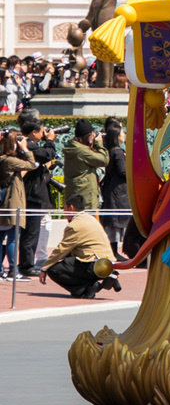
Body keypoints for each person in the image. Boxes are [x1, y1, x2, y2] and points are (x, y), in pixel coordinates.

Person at [39, 194, 121, 299]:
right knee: (68, 257)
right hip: (107, 261)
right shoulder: (91, 219)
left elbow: (61, 250)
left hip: (93, 265)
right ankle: (109, 276)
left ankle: (86, 287)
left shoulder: (74, 226)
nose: (64, 212)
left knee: (54, 269)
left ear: (71, 208)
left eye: (64, 208)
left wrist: (44, 268)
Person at [18, 118, 56, 276]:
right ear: (34, 132)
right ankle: (26, 266)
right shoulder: (28, 145)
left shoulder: (27, 144)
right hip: (31, 195)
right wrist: (50, 141)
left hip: (31, 193)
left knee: (31, 232)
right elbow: (47, 154)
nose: (44, 133)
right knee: (30, 232)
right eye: (41, 131)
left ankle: (27, 264)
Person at [0, 129, 35, 280]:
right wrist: (25, 149)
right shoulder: (9, 161)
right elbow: (32, 164)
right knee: (13, 237)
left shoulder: (3, 159)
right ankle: (13, 270)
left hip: (5, 203)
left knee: (1, 237)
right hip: (11, 203)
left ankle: (1, 270)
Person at [80, 0, 120, 88]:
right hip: (111, 16)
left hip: (102, 17)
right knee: (109, 50)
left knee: (101, 49)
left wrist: (88, 19)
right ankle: (108, 80)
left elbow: (96, 3)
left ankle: (102, 81)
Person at [63, 119, 109, 208]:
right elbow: (104, 160)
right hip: (85, 199)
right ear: (87, 136)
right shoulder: (83, 152)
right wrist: (99, 144)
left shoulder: (72, 147)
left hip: (75, 196)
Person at [101, 123, 130, 261]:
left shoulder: (111, 151)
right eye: (122, 132)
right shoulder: (118, 152)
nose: (124, 135)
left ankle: (114, 251)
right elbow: (123, 171)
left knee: (114, 223)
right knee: (116, 222)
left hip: (113, 190)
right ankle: (114, 252)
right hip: (118, 192)